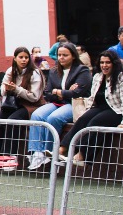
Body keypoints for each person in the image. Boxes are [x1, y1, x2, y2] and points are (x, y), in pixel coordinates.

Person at [60, 50, 123, 167]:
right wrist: (88, 111)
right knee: (84, 119)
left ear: (114, 64)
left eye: (108, 62)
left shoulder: (121, 77)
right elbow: (93, 98)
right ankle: (62, 149)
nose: (104, 65)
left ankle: (82, 155)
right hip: (107, 108)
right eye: (102, 62)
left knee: (96, 123)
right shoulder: (98, 77)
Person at [26, 42, 90, 171]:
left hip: (74, 104)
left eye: (65, 55)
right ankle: (37, 152)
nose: (61, 58)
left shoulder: (82, 70)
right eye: (59, 55)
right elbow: (48, 93)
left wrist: (59, 91)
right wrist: (61, 92)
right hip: (56, 102)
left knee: (54, 118)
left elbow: (79, 92)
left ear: (73, 56)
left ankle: (49, 151)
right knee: (37, 115)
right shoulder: (54, 71)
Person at [0, 47, 43, 163]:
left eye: (26, 57)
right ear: (15, 58)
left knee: (12, 121)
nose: (24, 60)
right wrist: (6, 88)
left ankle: (11, 156)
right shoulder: (11, 70)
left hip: (30, 105)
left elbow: (35, 97)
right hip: (13, 104)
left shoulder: (35, 73)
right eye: (21, 57)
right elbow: (2, 90)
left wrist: (17, 89)